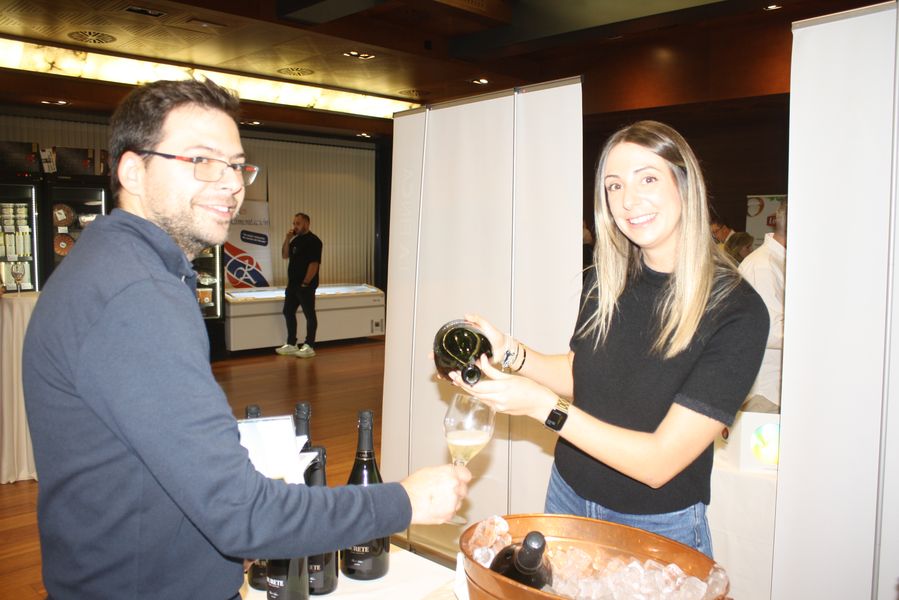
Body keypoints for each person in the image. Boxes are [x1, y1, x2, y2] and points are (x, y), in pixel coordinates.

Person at [22, 78, 470, 600]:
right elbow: (242, 514)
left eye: (237, 165)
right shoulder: (135, 295)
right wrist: (406, 501)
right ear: (133, 171)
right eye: (201, 160)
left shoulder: (111, 266)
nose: (232, 184)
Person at [450, 121, 768, 558]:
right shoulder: (607, 278)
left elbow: (659, 463)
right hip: (568, 495)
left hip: (655, 524)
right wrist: (508, 351)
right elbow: (581, 373)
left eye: (647, 179)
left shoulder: (737, 311)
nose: (628, 200)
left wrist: (543, 407)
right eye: (614, 186)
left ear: (685, 185)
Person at [738, 200, 787, 413]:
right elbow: (769, 330)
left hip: (775, 388)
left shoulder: (776, 262)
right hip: (765, 391)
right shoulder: (763, 265)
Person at [277, 212, 322, 358]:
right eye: (294, 223)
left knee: (309, 314)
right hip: (292, 285)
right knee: (288, 311)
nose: (295, 226)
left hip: (305, 285)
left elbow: (314, 264)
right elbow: (285, 255)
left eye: (298, 223)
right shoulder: (295, 240)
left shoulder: (314, 241)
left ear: (306, 224)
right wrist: (287, 239)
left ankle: (309, 345)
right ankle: (291, 343)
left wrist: (306, 283)